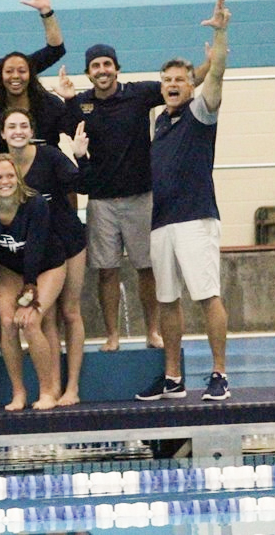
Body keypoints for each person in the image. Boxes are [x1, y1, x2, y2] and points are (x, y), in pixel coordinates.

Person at [56, 41, 207, 351]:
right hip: (101, 202)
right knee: (107, 271)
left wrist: (210, 65)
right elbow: (68, 130)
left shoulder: (138, 94)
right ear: (88, 73)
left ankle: (152, 331)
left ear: (117, 68)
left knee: (146, 269)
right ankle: (112, 335)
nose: (102, 70)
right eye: (95, 66)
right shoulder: (80, 103)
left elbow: (183, 84)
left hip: (141, 198)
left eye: (107, 64)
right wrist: (68, 100)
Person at [134, 0, 232, 401]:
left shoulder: (201, 113)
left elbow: (217, 75)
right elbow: (195, 76)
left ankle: (220, 375)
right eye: (166, 79)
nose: (172, 84)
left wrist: (221, 34)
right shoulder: (159, 121)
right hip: (162, 222)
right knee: (167, 300)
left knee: (207, 295)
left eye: (180, 79)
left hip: (196, 219)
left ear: (191, 86)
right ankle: (173, 377)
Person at [0, 110, 89, 406]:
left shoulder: (49, 156)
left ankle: (72, 388)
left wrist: (80, 156)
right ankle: (50, 388)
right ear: (2, 133)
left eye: (23, 125)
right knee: (45, 317)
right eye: (11, 126)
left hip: (66, 238)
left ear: (31, 130)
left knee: (70, 312)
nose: (17, 131)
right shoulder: (1, 167)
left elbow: (82, 183)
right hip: (32, 250)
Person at [0, 154, 66, 411]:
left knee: (31, 320)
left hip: (47, 265)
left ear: (18, 177)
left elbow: (35, 252)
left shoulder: (35, 203)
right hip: (10, 269)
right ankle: (19, 393)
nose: (5, 181)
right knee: (6, 323)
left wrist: (29, 295)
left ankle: (47, 391)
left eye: (9, 176)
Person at [0, 51, 71, 148]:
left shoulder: (50, 104)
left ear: (31, 75)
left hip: (47, 162)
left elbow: (74, 129)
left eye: (22, 71)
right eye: (9, 71)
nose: (15, 76)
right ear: (1, 76)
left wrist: (71, 100)